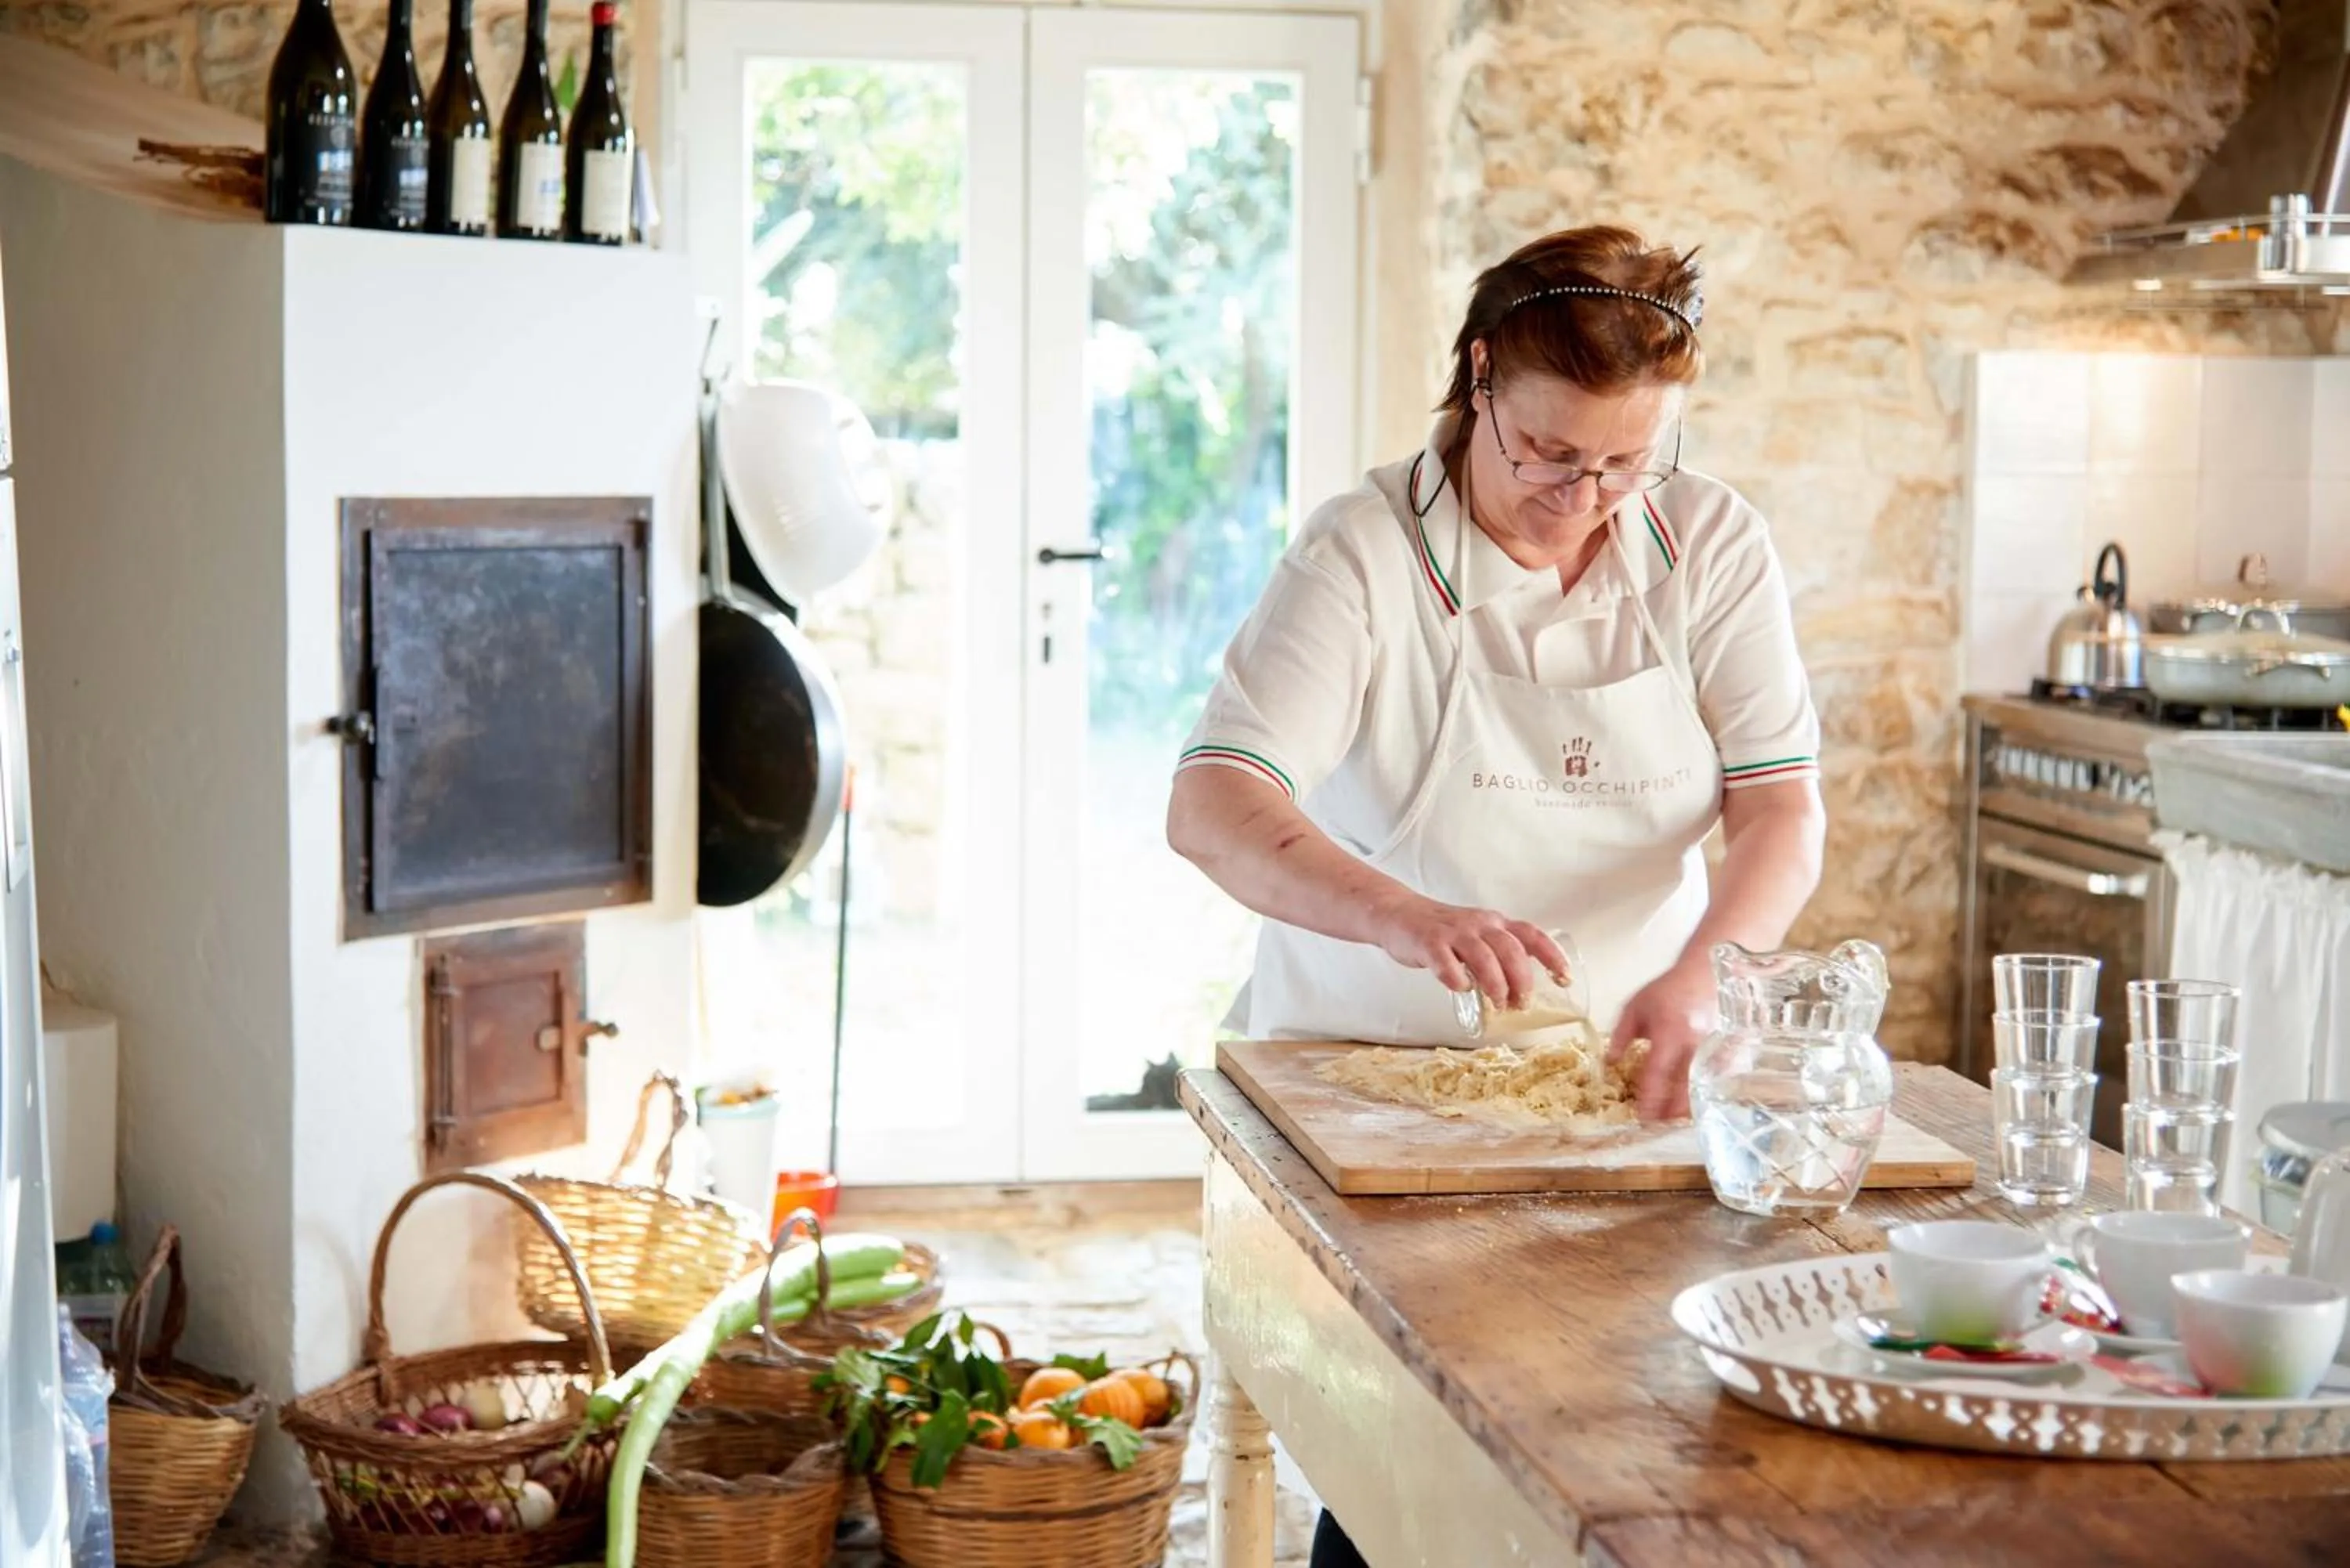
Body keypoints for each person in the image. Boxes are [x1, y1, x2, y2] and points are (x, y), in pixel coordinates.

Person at [1167, 224, 1827, 1568]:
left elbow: (1781, 814)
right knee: (1411, 1459)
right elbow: (1214, 804)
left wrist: (1700, 975)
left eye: (1628, 461)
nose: (1586, 496)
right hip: (1380, 1089)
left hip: (1616, 1081)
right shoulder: (1362, 552)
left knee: (1625, 1433)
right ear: (1480, 380)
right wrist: (1413, 917)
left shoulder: (1709, 545)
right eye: (1551, 453)